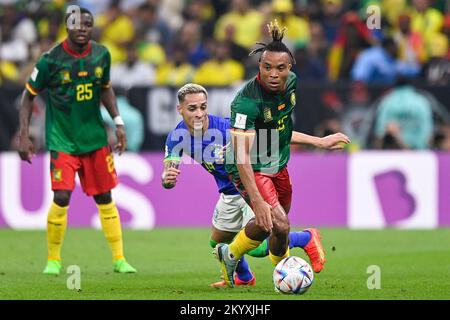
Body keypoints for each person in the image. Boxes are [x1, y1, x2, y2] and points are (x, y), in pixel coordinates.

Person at [215, 20, 350, 287]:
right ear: (259, 67)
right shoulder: (246, 102)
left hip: (278, 163)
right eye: (267, 68)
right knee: (280, 224)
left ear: (290, 68)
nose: (273, 74)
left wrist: (320, 142)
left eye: (280, 68)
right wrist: (255, 197)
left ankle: (229, 254)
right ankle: (285, 277)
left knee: (273, 227)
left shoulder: (292, 85)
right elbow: (241, 156)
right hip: (249, 166)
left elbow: (281, 131)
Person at [162, 83, 321, 287]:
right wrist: (167, 179)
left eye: (203, 106)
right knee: (219, 241)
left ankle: (304, 238)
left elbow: (274, 136)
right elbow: (168, 171)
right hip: (228, 193)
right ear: (180, 109)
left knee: (257, 247)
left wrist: (318, 142)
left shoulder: (226, 128)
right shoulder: (177, 137)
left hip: (250, 187)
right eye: (192, 108)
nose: (200, 113)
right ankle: (245, 278)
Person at [17, 6, 136, 275]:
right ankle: (54, 260)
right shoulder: (51, 60)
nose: (82, 28)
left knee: (105, 197)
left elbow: (105, 88)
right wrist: (24, 134)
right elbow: (28, 96)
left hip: (94, 138)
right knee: (61, 195)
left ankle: (119, 259)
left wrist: (118, 122)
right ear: (66, 27)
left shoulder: (101, 54)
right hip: (63, 140)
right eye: (76, 23)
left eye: (87, 24)